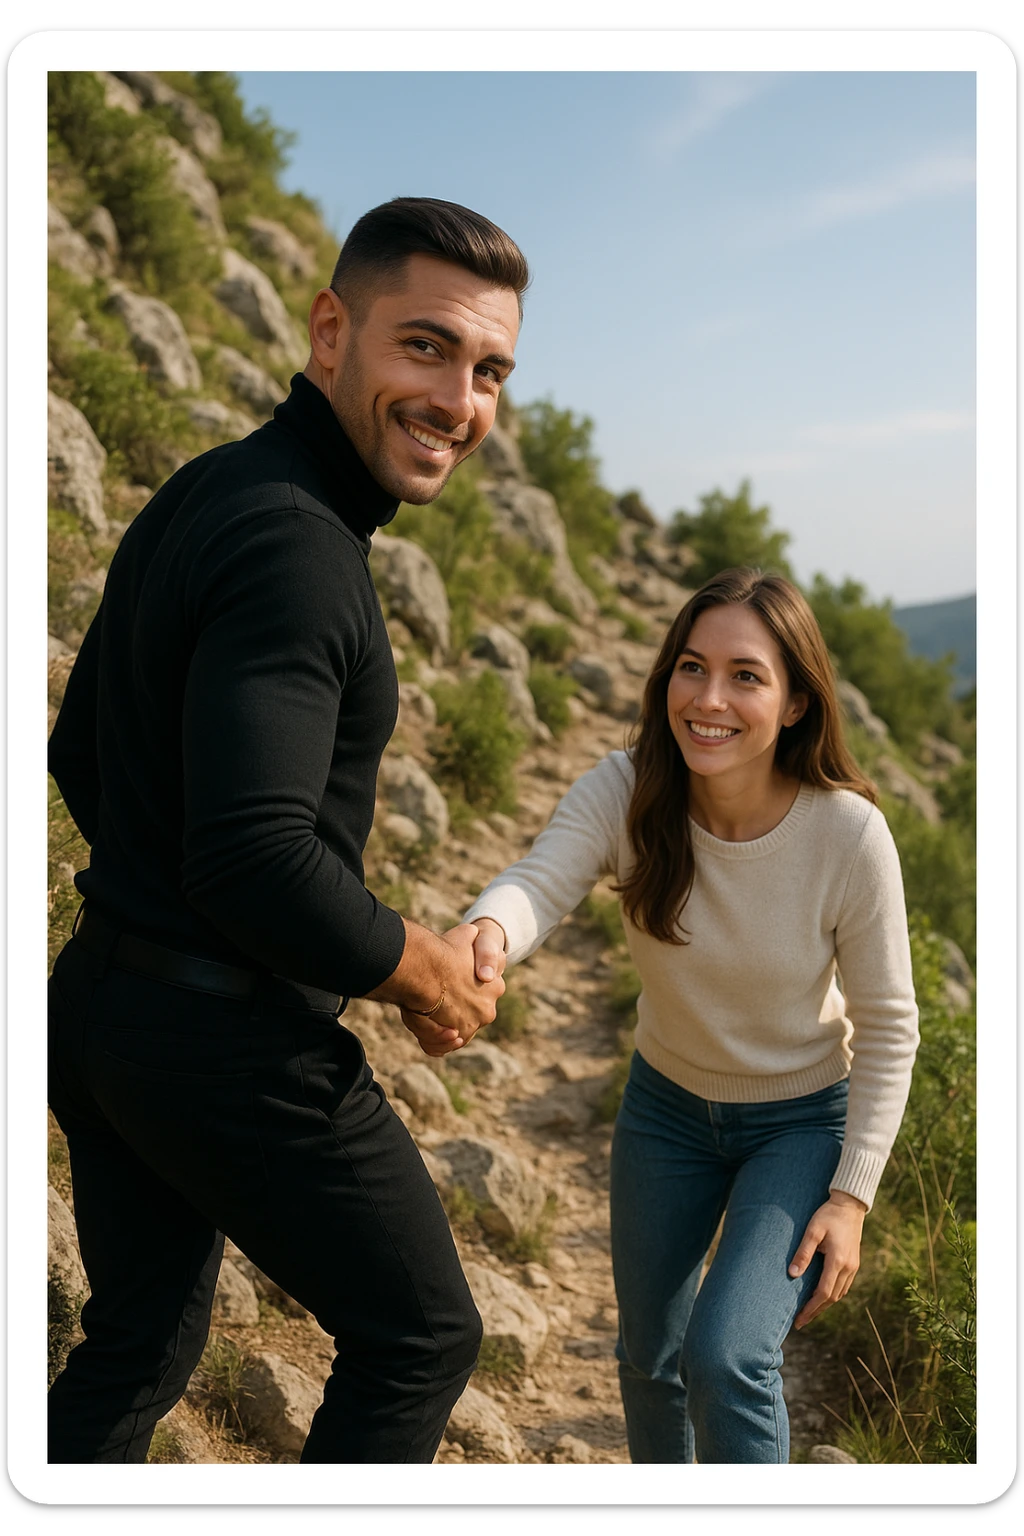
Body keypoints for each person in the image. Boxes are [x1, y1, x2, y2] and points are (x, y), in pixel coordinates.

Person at [46, 197, 529, 1465]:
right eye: (423, 347)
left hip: (102, 1006)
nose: (459, 400)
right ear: (331, 332)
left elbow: (80, 752)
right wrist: (417, 964)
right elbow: (255, 853)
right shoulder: (301, 551)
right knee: (422, 1337)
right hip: (222, 1047)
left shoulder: (217, 487)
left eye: (488, 371)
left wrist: (154, 909)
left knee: (143, 1339)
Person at [465, 567, 920, 1465]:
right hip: (664, 1110)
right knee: (650, 1361)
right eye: (690, 667)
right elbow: (539, 881)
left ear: (795, 703)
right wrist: (483, 935)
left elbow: (890, 1025)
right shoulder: (628, 788)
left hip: (798, 1125)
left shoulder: (848, 836)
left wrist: (851, 1195)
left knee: (727, 1357)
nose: (710, 699)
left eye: (746, 675)